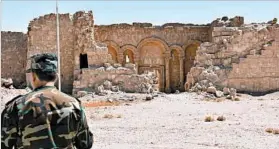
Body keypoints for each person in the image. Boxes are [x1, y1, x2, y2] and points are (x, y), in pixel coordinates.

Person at [1, 53, 93, 149]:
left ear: (33, 77)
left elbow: (4, 144)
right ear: (56, 76)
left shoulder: (17, 106)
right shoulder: (74, 105)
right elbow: (85, 143)